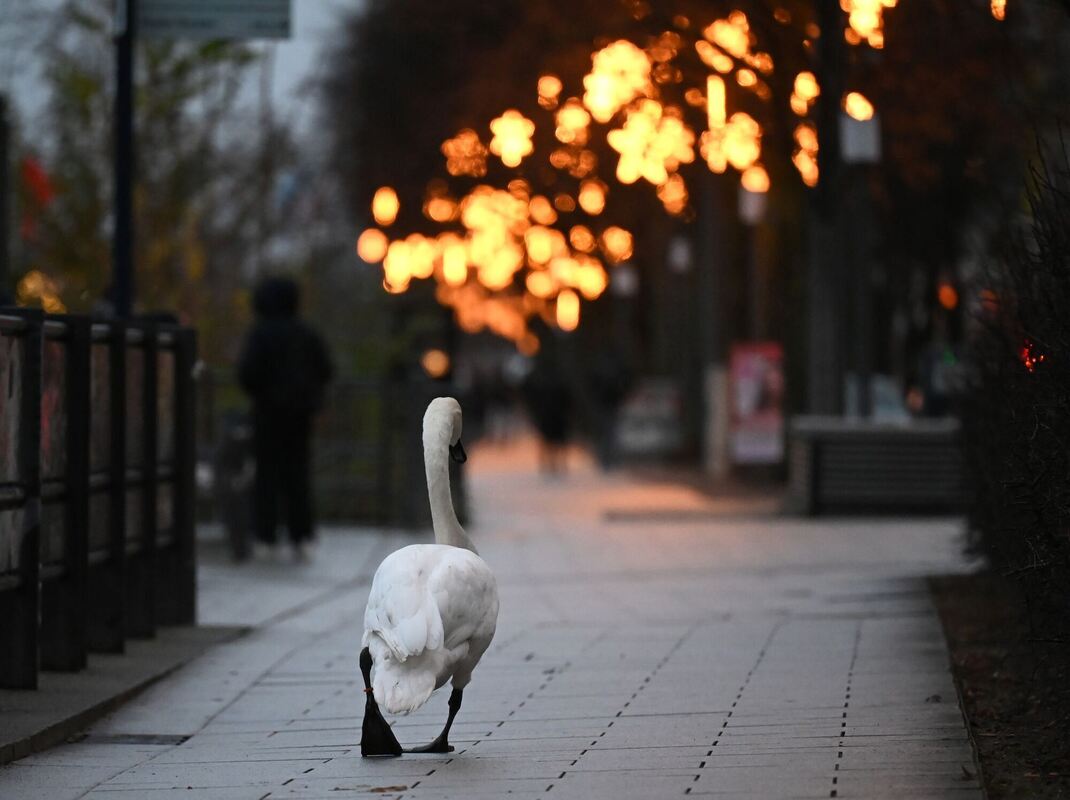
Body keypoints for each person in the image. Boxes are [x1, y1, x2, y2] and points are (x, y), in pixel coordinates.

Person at [237, 277, 333, 561]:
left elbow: (246, 374)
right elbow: (326, 369)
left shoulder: (260, 334)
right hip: (300, 418)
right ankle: (301, 536)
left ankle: (265, 537)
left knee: (266, 476)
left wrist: (265, 393)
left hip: (267, 417)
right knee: (298, 476)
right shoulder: (307, 334)